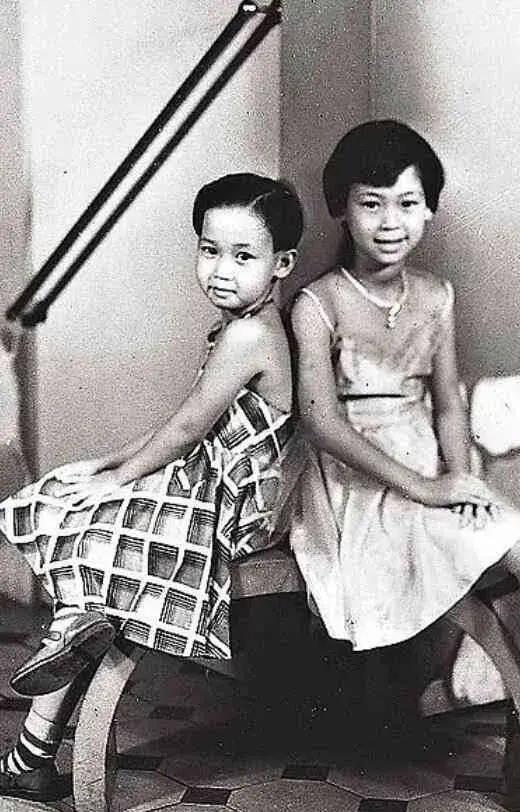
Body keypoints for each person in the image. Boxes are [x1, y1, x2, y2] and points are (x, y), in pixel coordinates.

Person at [288, 119, 520, 812]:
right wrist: (426, 487)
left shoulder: (436, 296)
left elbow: (446, 404)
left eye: (408, 203)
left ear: (430, 210)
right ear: (340, 209)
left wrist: (462, 478)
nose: (390, 222)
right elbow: (321, 425)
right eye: (371, 203)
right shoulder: (317, 304)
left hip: (431, 473)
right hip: (355, 489)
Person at [0, 172, 302, 801]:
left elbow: (188, 429)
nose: (220, 270)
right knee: (70, 499)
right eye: (209, 250)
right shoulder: (236, 326)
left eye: (242, 256)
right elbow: (186, 422)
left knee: (85, 520)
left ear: (282, 264)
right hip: (201, 481)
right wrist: (107, 464)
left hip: (234, 507)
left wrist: (117, 477)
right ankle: (52, 689)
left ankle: (60, 660)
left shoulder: (252, 334)